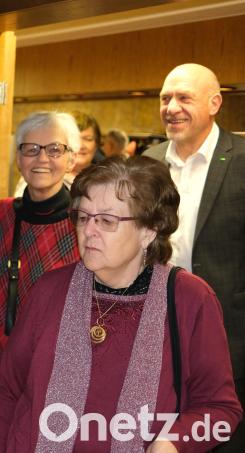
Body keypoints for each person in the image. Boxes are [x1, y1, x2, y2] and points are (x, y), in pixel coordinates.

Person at [0, 156, 242, 452]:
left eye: (106, 221)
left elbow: (220, 410)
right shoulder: (49, 290)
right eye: (83, 217)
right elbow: (2, 391)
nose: (89, 231)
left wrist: (174, 440)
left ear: (149, 230)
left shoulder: (189, 298)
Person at [0, 112, 81, 452]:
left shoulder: (85, 222)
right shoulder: (1, 214)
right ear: (18, 157)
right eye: (31, 148)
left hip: (52, 367)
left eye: (55, 149)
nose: (42, 158)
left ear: (71, 158)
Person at [144, 63, 245, 452]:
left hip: (231, 340)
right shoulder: (147, 165)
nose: (172, 107)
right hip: (156, 333)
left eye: (184, 97)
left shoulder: (240, 160)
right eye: (165, 98)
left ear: (215, 102)